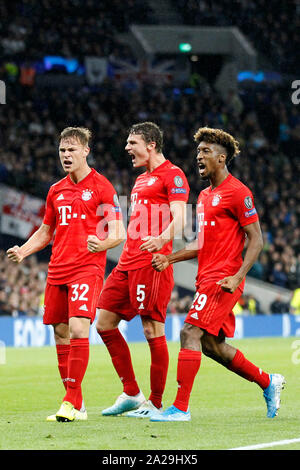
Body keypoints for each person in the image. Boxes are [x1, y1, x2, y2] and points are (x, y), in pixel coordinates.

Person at [150, 127, 285, 422]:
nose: (199, 156)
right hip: (206, 278)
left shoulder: (238, 192)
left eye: (206, 151)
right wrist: (170, 258)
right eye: (198, 151)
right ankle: (268, 381)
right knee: (213, 347)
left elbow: (257, 240)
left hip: (223, 279)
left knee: (189, 333)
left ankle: (180, 408)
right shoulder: (204, 196)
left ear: (222, 158)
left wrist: (238, 276)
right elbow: (203, 243)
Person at [6, 127, 125, 422]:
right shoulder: (55, 190)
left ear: (86, 151)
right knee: (59, 332)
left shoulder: (102, 187)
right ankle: (78, 403)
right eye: (62, 151)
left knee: (78, 329)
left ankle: (69, 401)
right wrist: (23, 250)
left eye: (72, 150)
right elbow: (46, 231)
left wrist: (103, 243)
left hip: (87, 268)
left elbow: (119, 232)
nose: (66, 156)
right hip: (57, 269)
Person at [96, 121, 190, 418]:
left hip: (152, 263)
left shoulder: (173, 175)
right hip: (126, 262)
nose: (127, 148)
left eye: (132, 142)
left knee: (151, 329)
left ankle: (156, 402)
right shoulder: (140, 181)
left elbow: (181, 220)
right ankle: (131, 392)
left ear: (150, 144)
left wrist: (162, 239)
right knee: (104, 323)